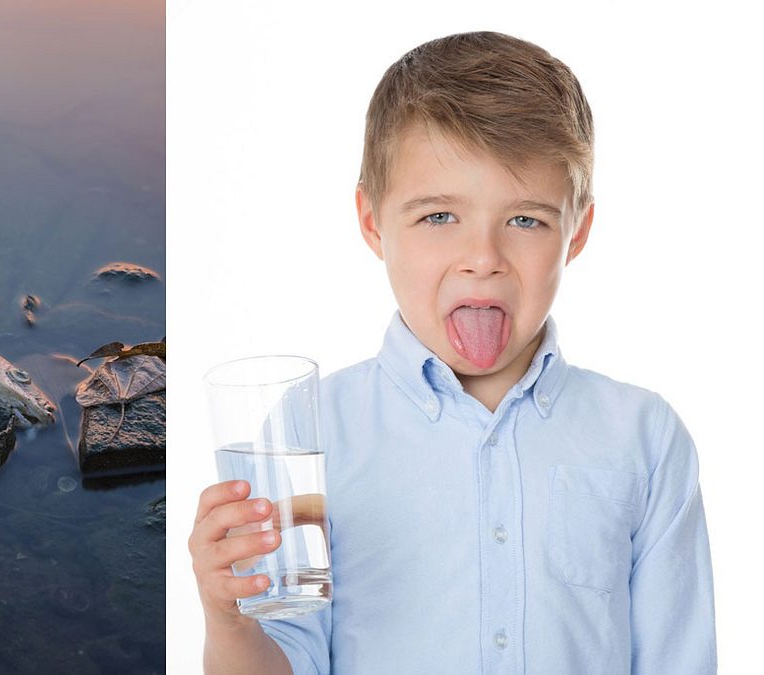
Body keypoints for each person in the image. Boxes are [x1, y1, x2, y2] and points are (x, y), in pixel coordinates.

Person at [187, 31, 716, 674]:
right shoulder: (311, 427)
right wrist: (229, 619)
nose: (482, 259)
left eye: (526, 220)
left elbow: (676, 660)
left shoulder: (645, 438)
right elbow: (288, 659)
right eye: (439, 217)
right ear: (373, 221)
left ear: (576, 232)